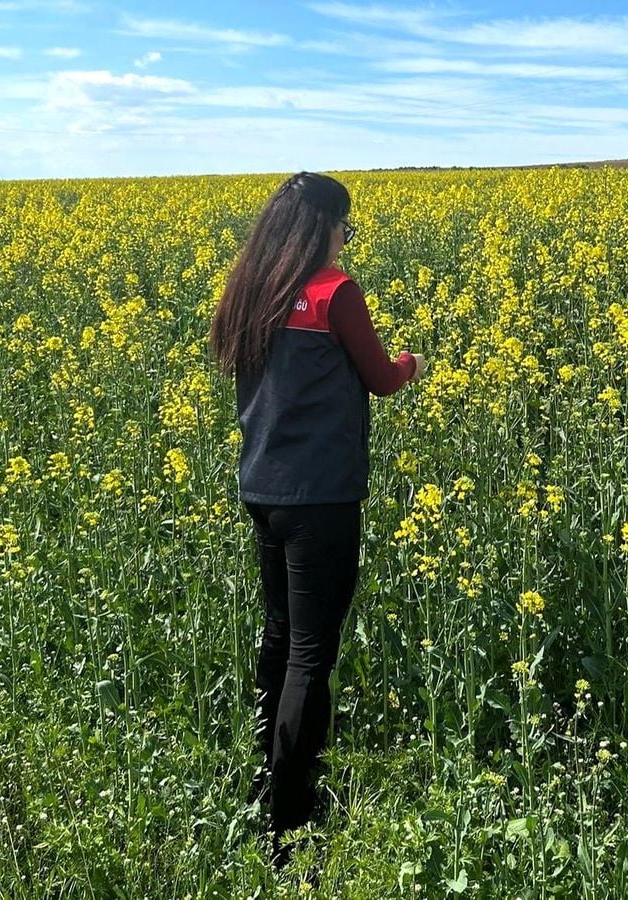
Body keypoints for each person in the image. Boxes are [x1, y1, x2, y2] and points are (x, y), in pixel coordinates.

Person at [209, 171, 426, 865]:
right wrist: (410, 364)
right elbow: (381, 378)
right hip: (321, 499)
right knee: (311, 654)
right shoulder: (336, 292)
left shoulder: (251, 290)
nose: (345, 237)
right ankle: (288, 826)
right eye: (344, 225)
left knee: (278, 640)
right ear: (324, 226)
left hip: (262, 491)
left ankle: (263, 782)